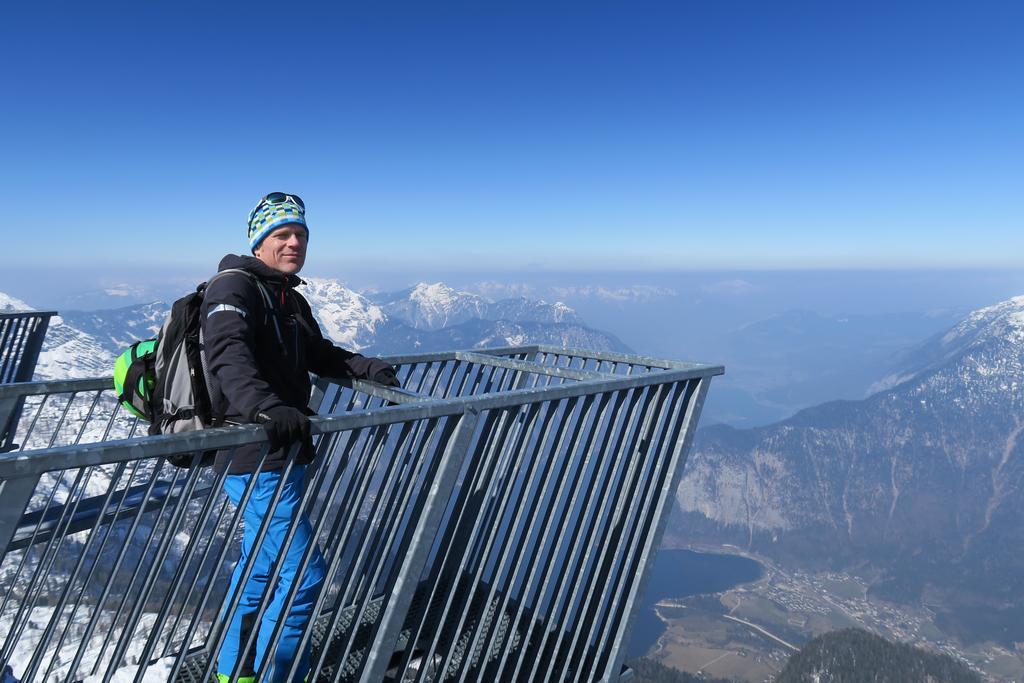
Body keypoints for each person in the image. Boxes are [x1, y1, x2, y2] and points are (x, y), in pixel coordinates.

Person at [201, 191, 399, 682]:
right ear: (259, 240)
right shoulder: (233, 288)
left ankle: (236, 671)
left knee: (260, 572)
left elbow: (317, 353)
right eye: (282, 234)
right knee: (304, 579)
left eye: (301, 235)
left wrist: (366, 367)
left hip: (281, 454)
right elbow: (227, 356)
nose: (294, 242)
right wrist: (267, 407)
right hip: (257, 455)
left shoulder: (285, 295)